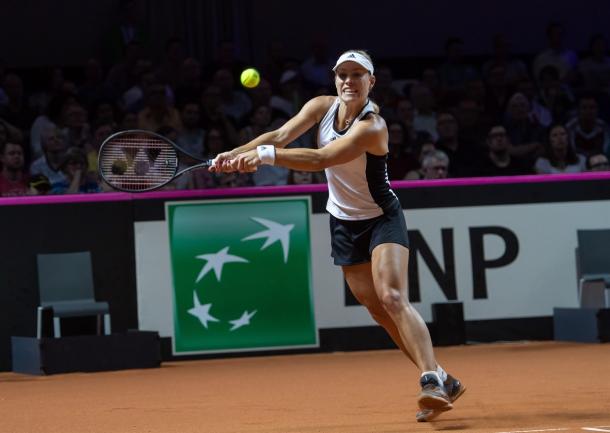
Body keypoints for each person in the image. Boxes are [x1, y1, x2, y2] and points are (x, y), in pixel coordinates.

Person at [211, 49, 465, 422]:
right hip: (343, 223)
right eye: (343, 74)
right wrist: (234, 153)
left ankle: (429, 380)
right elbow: (281, 134)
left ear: (370, 82)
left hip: (382, 218)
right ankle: (443, 379)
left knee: (393, 297)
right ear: (334, 78)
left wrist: (265, 156)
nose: (349, 81)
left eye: (357, 75)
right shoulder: (320, 106)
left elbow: (322, 159)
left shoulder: (372, 126)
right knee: (380, 312)